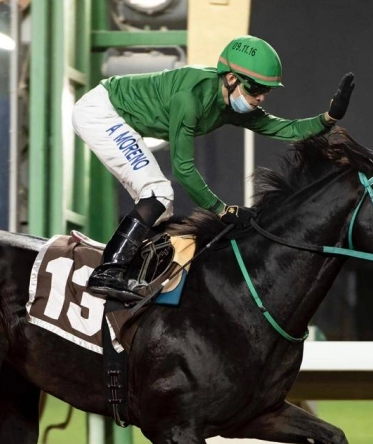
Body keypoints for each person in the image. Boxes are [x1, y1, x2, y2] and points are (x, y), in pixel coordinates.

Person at [71, 35, 355, 302]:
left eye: (265, 91)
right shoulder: (190, 99)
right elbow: (183, 169)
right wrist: (221, 210)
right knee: (158, 192)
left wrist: (329, 117)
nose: (261, 98)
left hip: (117, 117)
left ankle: (134, 268)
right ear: (231, 78)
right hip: (101, 113)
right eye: (255, 88)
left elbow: (285, 129)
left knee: (162, 207)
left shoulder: (231, 104)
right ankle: (108, 271)